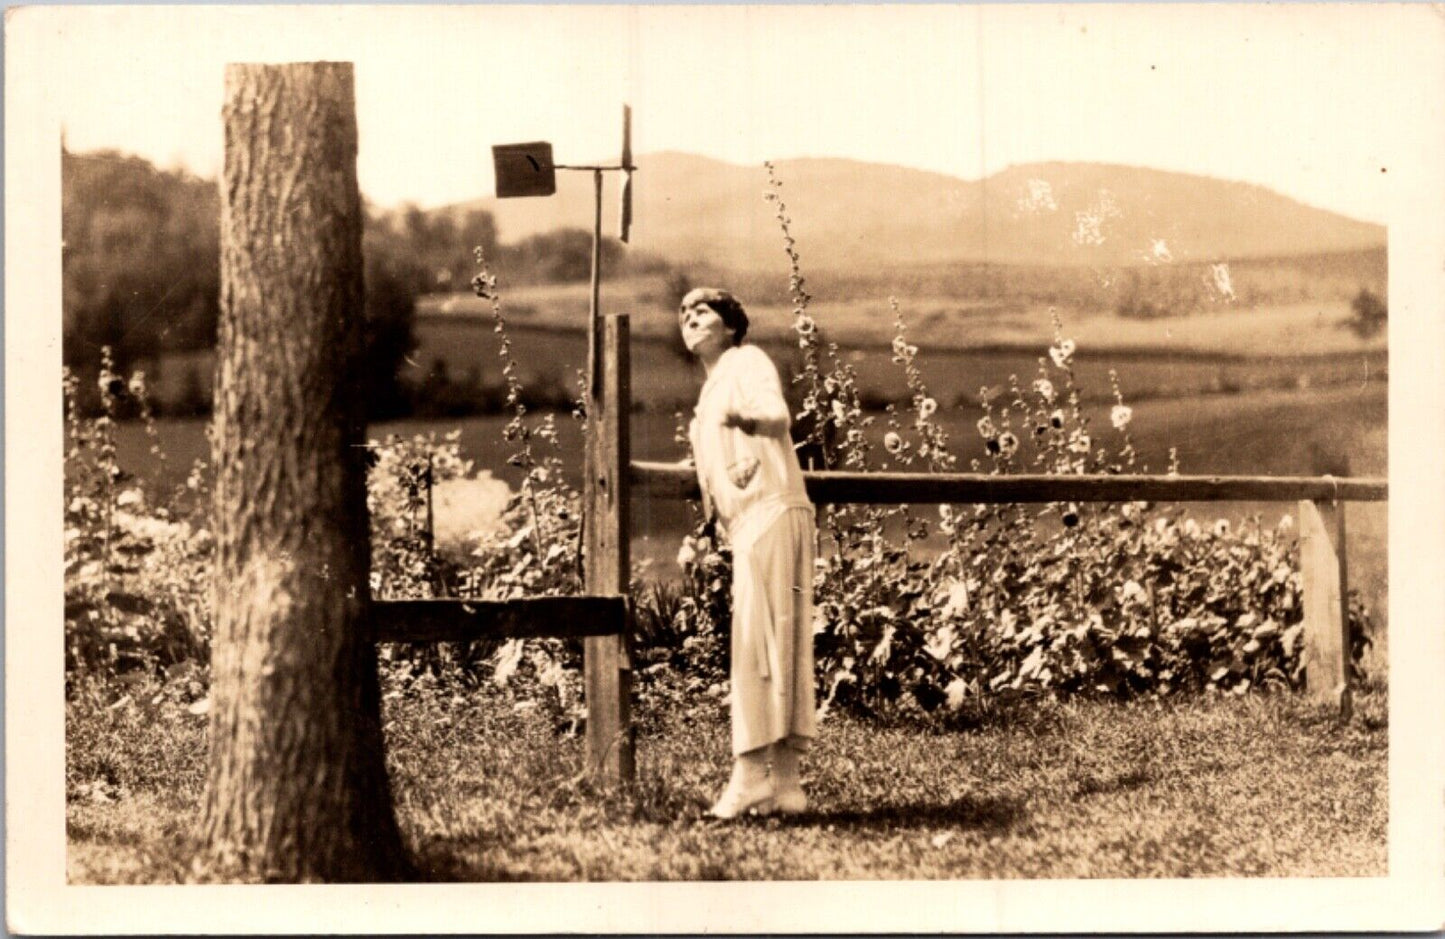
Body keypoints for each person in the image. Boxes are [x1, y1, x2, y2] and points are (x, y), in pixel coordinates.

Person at [678, 287, 817, 819]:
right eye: (684, 314)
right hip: (758, 521)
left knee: (757, 649)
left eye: (703, 311)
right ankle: (785, 785)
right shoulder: (711, 390)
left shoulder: (746, 361)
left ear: (732, 325)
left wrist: (748, 420)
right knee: (775, 644)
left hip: (773, 511)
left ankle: (746, 779)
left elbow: (777, 416)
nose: (690, 318)